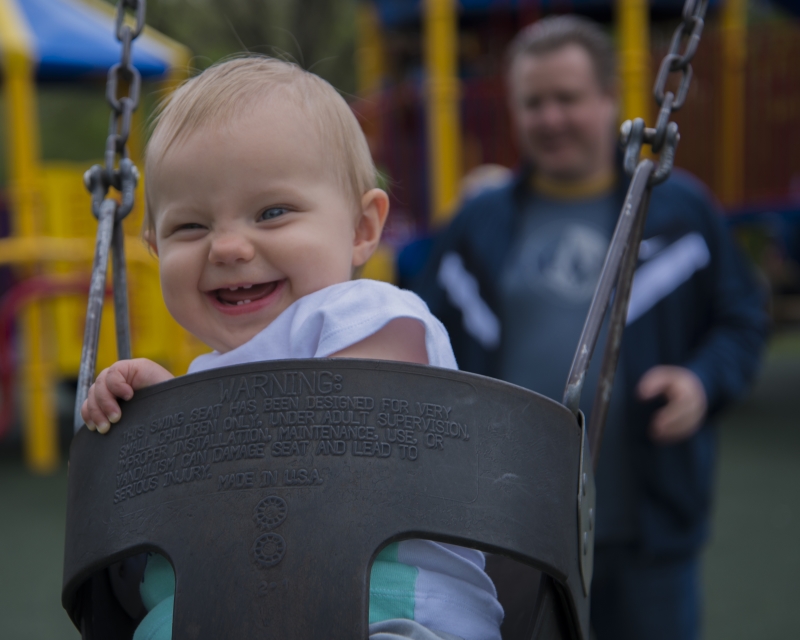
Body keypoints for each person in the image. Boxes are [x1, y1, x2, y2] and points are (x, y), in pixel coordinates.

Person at [81, 56, 503, 640]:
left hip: (386, 610)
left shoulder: (367, 314)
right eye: (190, 227)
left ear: (362, 228)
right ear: (155, 246)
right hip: (217, 613)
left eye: (272, 213)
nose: (228, 247)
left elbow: (330, 439)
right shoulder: (205, 377)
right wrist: (157, 417)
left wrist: (189, 429)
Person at [413, 15, 767, 640]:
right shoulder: (478, 223)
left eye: (567, 98)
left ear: (608, 99)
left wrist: (701, 381)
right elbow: (418, 331)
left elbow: (740, 317)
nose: (551, 118)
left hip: (648, 528)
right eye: (533, 103)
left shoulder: (677, 208)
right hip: (511, 527)